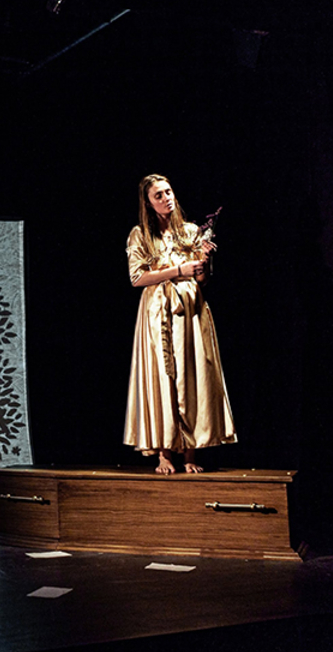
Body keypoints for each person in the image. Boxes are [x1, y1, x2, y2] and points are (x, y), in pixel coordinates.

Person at [124, 174, 237, 474]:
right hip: (157, 311)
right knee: (162, 376)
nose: (166, 198)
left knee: (191, 375)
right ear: (148, 203)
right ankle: (163, 453)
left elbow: (202, 279)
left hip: (190, 310)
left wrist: (204, 261)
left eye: (168, 192)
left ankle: (190, 454)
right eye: (158, 195)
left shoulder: (190, 231)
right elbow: (137, 277)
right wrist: (178, 270)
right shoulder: (141, 235)